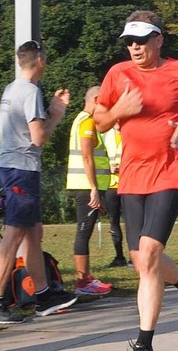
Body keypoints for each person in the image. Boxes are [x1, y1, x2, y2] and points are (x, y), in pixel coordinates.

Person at [93, 10, 178, 351]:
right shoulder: (117, 74)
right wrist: (119, 111)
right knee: (141, 261)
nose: (134, 48)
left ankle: (144, 343)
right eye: (129, 42)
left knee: (150, 252)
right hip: (132, 175)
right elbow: (100, 122)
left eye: (140, 41)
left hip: (170, 169)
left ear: (158, 39)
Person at [0, 40, 77, 324]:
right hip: (20, 169)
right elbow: (38, 138)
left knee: (34, 234)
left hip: (14, 167)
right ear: (40, 61)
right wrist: (57, 112)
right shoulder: (31, 91)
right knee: (13, 236)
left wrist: (51, 108)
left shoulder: (12, 89)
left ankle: (44, 296)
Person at [66, 85, 113, 296]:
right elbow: (87, 156)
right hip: (86, 186)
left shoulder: (82, 119)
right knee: (83, 231)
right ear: (95, 99)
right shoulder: (87, 121)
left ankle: (85, 278)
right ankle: (82, 281)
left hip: (87, 185)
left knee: (85, 231)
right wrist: (94, 188)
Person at [103, 122, 130, 268]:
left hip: (129, 184)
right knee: (114, 221)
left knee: (131, 222)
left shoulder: (131, 133)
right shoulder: (104, 135)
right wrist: (109, 167)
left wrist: (123, 167)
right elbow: (99, 158)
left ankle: (135, 256)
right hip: (110, 185)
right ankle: (119, 256)